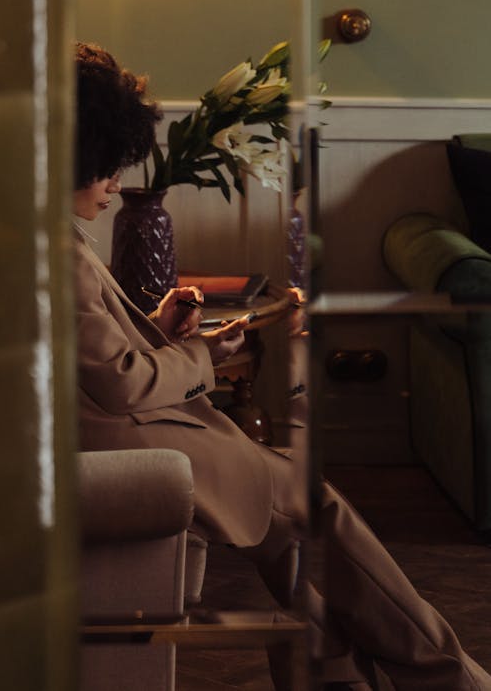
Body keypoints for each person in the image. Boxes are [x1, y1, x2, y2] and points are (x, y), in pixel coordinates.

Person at [72, 40, 491, 691]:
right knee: (309, 504)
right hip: (125, 437)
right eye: (106, 166)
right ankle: (451, 678)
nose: (116, 183)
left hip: (126, 428)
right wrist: (198, 353)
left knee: (299, 539)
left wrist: (158, 330)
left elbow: (92, 356)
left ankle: (362, 681)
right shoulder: (53, 249)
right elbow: (119, 379)